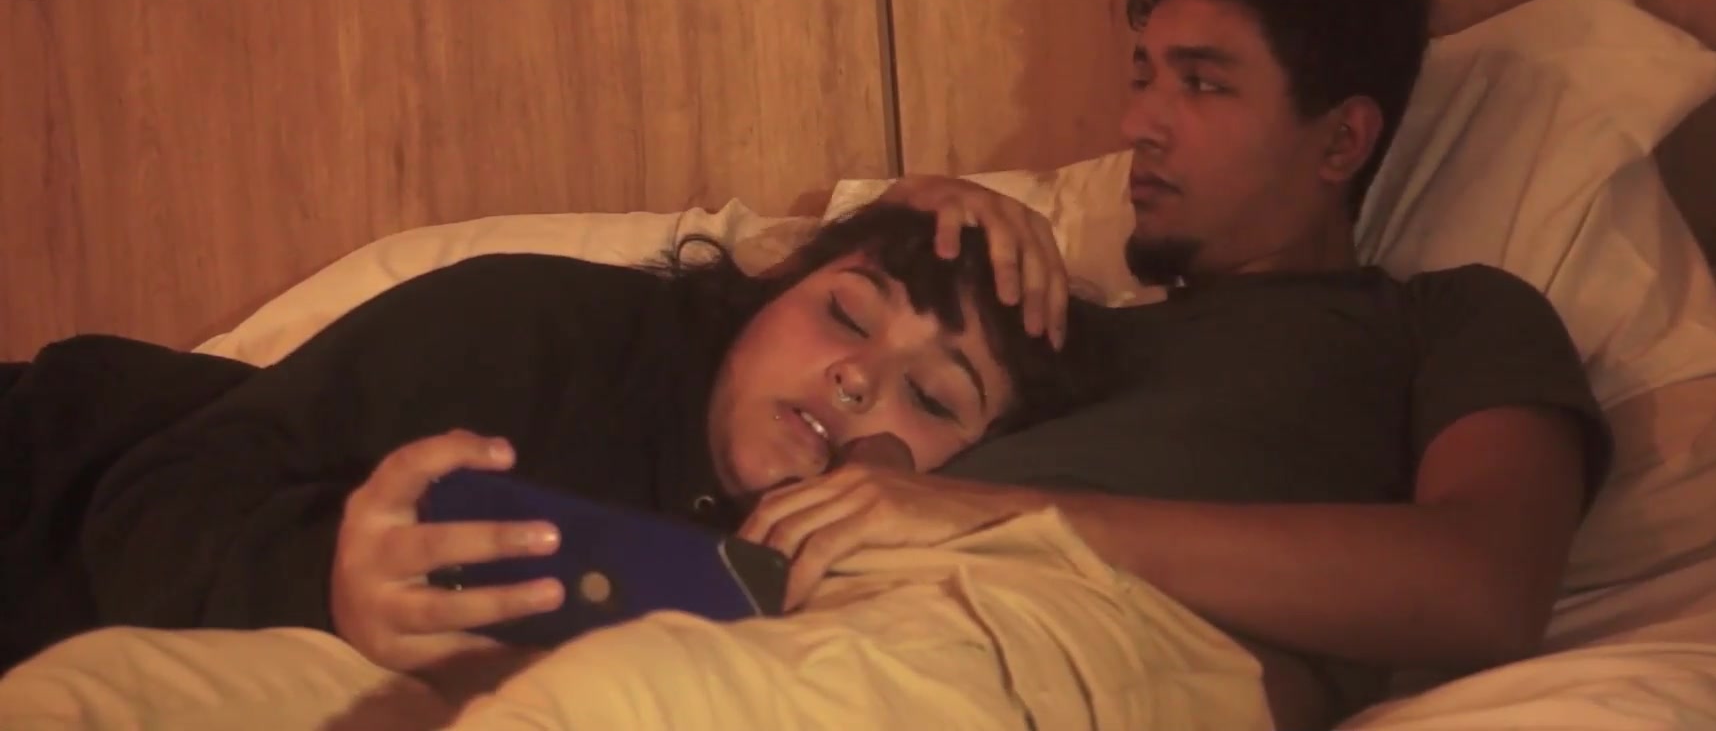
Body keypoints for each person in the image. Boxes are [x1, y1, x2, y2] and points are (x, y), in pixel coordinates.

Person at [733, 0, 1614, 726]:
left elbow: (1486, 586)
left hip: (1076, 654)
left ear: (1342, 140)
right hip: (827, 618)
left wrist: (999, 520)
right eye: (1144, 77)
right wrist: (902, 212)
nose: (1138, 124)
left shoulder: (1443, 319)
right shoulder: (1062, 332)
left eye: (1201, 84)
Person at [0, 201, 1104, 676]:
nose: (860, 376)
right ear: (769, 295)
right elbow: (161, 493)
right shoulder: (538, 331)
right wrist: (323, 583)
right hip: (45, 480)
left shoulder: (876, 585)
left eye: (934, 399)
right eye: (847, 315)